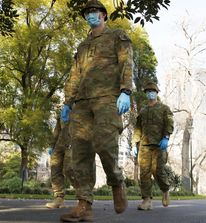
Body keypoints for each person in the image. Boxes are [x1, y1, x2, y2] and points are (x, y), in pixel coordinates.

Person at [60, 0, 133, 221]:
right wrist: (67, 101)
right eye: (87, 13)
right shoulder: (82, 46)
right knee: (80, 153)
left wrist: (126, 91)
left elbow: (127, 62)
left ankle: (116, 182)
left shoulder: (116, 36)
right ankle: (84, 205)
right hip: (82, 102)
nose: (91, 15)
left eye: (94, 12)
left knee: (104, 143)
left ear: (103, 15)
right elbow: (75, 74)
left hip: (107, 98)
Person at [132, 82, 174, 210]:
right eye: (148, 91)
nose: (151, 93)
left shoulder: (164, 108)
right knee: (144, 173)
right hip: (144, 145)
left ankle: (165, 190)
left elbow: (169, 122)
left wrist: (166, 137)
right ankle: (146, 200)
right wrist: (134, 143)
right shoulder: (143, 110)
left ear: (157, 93)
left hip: (159, 144)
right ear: (146, 94)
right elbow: (138, 128)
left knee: (158, 171)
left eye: (153, 91)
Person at [45, 116, 75, 208]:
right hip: (60, 143)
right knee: (55, 167)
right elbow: (57, 129)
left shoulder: (81, 104)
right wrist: (52, 144)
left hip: (74, 141)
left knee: (69, 168)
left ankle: (84, 195)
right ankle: (59, 198)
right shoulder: (63, 110)